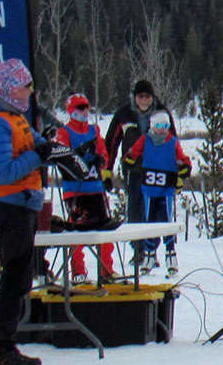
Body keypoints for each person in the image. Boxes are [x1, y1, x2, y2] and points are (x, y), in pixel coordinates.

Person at [0, 58, 51, 365]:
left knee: (20, 277)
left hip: (24, 204)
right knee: (15, 277)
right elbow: (3, 172)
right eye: (24, 86)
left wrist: (52, 147)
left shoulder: (14, 115)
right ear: (8, 88)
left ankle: (6, 343)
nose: (30, 92)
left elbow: (37, 143)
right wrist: (37, 157)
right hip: (7, 204)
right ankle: (2, 347)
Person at [54, 93, 114, 283]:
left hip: (95, 188)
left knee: (104, 231)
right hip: (75, 190)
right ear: (71, 110)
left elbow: (103, 151)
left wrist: (101, 159)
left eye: (87, 107)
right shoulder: (64, 132)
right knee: (77, 230)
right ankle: (78, 272)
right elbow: (61, 156)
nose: (85, 111)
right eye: (80, 108)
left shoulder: (94, 130)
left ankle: (106, 272)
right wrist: (77, 154)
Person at [124, 115, 193, 276]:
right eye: (159, 125)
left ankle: (171, 256)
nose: (162, 128)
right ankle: (148, 256)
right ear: (152, 126)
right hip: (149, 188)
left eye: (165, 125)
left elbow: (182, 158)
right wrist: (129, 159)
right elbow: (133, 152)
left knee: (166, 221)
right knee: (149, 221)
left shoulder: (172, 141)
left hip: (166, 188)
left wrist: (185, 167)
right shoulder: (145, 139)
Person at [106, 79, 172, 223]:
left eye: (147, 96)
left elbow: (173, 143)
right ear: (135, 97)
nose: (143, 100)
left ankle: (151, 244)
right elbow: (111, 142)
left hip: (157, 170)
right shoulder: (124, 114)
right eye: (140, 96)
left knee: (155, 212)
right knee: (135, 212)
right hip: (132, 169)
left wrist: (176, 171)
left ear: (152, 97)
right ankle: (138, 245)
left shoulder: (162, 112)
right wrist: (107, 171)